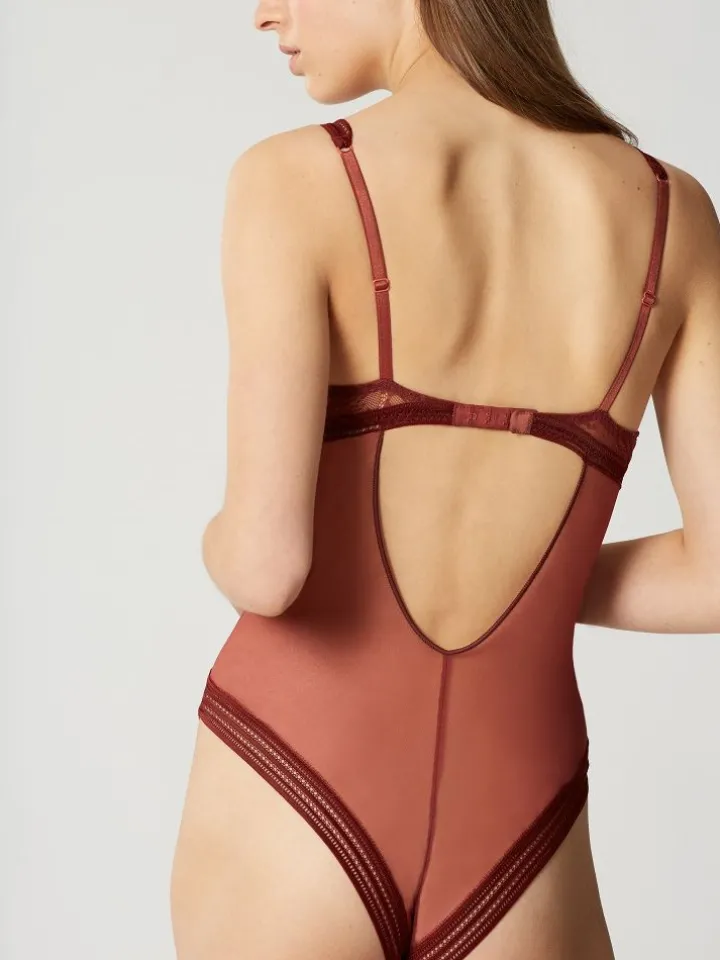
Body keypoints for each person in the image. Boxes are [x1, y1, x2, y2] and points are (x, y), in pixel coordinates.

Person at [169, 0, 720, 957]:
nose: (265, 14)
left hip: (293, 777)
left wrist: (210, 536)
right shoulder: (675, 212)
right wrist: (531, 578)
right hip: (526, 818)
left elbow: (264, 566)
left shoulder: (296, 179)